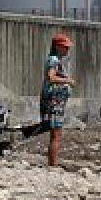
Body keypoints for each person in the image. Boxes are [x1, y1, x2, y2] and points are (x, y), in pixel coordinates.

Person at [41, 32, 76, 167]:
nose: (68, 50)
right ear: (57, 47)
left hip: (57, 102)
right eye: (65, 47)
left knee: (56, 134)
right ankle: (53, 165)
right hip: (54, 102)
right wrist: (68, 81)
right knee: (56, 134)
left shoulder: (55, 60)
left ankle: (52, 164)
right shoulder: (54, 60)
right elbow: (51, 77)